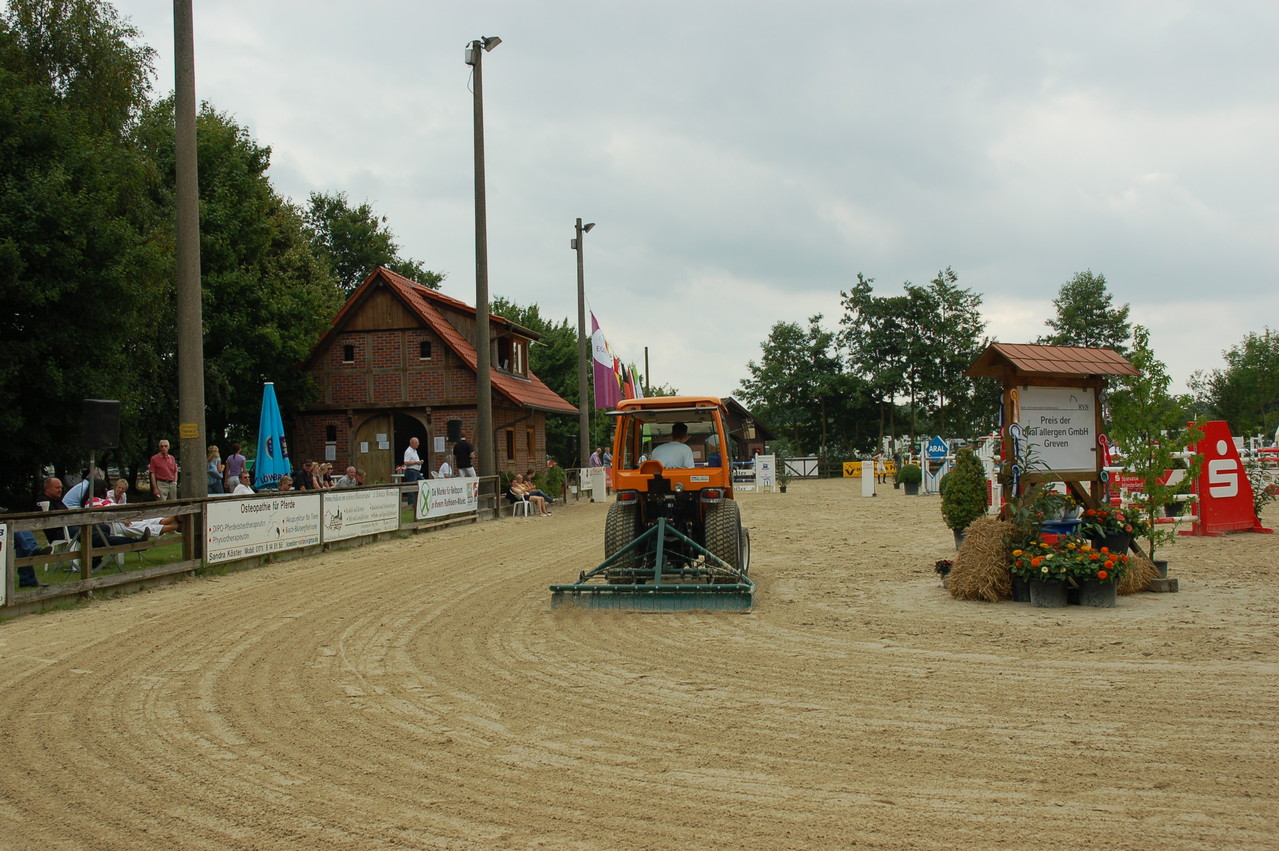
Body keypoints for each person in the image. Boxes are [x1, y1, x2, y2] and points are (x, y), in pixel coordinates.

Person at [403, 437, 423, 505]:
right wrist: (416, 462)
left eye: (418, 442)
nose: (418, 444)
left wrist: (419, 463)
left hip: (416, 471)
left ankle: (419, 501)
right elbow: (406, 462)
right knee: (411, 488)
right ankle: (411, 504)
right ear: (412, 443)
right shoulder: (408, 451)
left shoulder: (415, 451)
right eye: (416, 443)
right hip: (411, 471)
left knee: (423, 483)